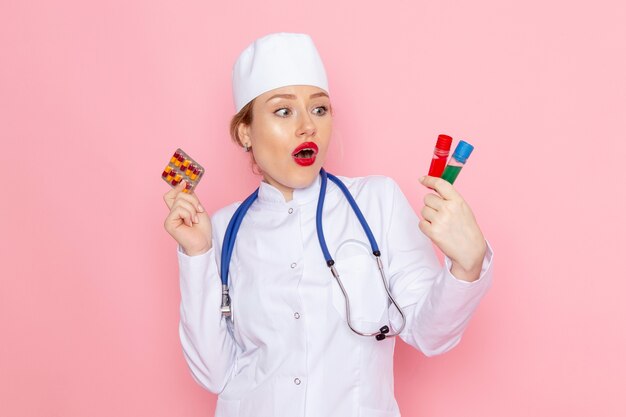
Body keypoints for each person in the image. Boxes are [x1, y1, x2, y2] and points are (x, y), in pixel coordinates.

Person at [163, 32, 494, 417]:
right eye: (283, 111)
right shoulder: (221, 229)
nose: (308, 127)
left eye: (319, 109)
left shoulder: (377, 202)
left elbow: (430, 332)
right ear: (245, 132)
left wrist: (467, 266)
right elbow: (214, 374)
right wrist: (197, 254)